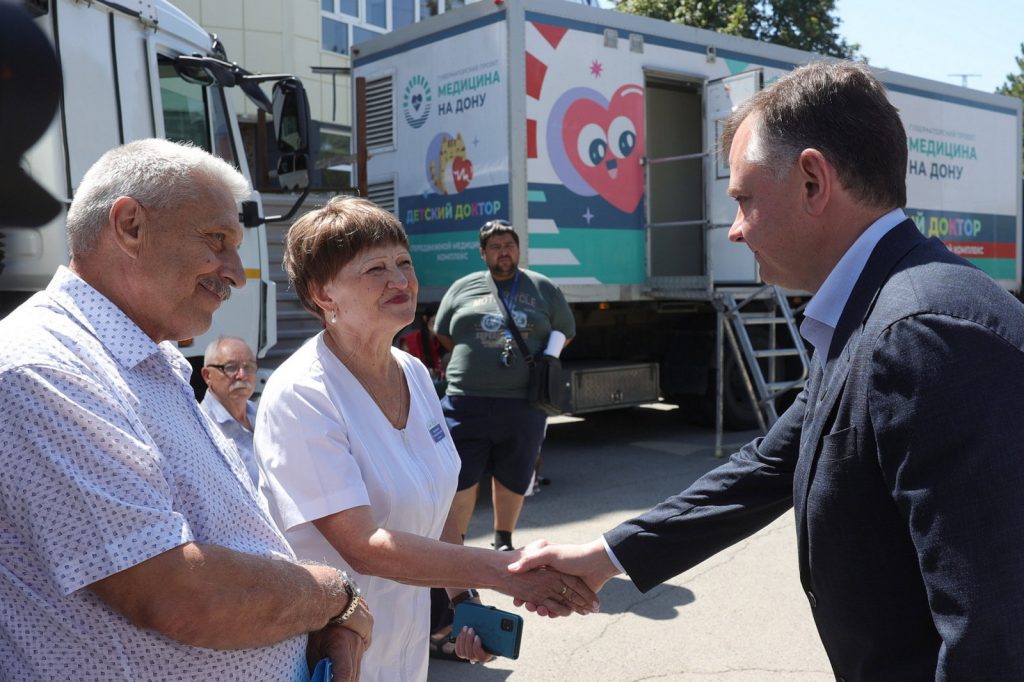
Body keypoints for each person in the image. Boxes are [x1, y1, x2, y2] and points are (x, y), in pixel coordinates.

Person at [509, 60, 1024, 680]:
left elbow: (992, 636)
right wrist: (606, 555)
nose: (733, 229)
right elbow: (769, 466)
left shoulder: (920, 334)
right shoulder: (877, 312)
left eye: (744, 199)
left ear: (813, 181)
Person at [0, 139, 371, 681]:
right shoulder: (45, 368)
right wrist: (335, 598)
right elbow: (178, 595)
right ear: (129, 225)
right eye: (217, 240)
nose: (234, 271)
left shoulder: (151, 359)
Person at [254, 197, 598, 682]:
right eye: (375, 268)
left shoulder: (413, 372)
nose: (401, 280)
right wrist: (503, 569)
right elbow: (363, 546)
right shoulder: (303, 394)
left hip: (405, 647)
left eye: (404, 262)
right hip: (329, 653)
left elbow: (436, 511)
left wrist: (462, 599)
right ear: (324, 294)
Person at [434, 219, 575, 553]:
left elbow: (566, 330)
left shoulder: (543, 288)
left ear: (518, 250)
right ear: (483, 253)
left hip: (523, 402)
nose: (503, 252)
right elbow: (443, 333)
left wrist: (546, 358)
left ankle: (503, 541)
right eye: (495, 247)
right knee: (460, 476)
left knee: (513, 473)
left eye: (509, 245)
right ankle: (458, 547)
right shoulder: (462, 287)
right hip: (465, 400)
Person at [199, 335, 261, 486]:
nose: (242, 375)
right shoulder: (203, 426)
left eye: (249, 367)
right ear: (207, 376)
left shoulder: (262, 414)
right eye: (231, 367)